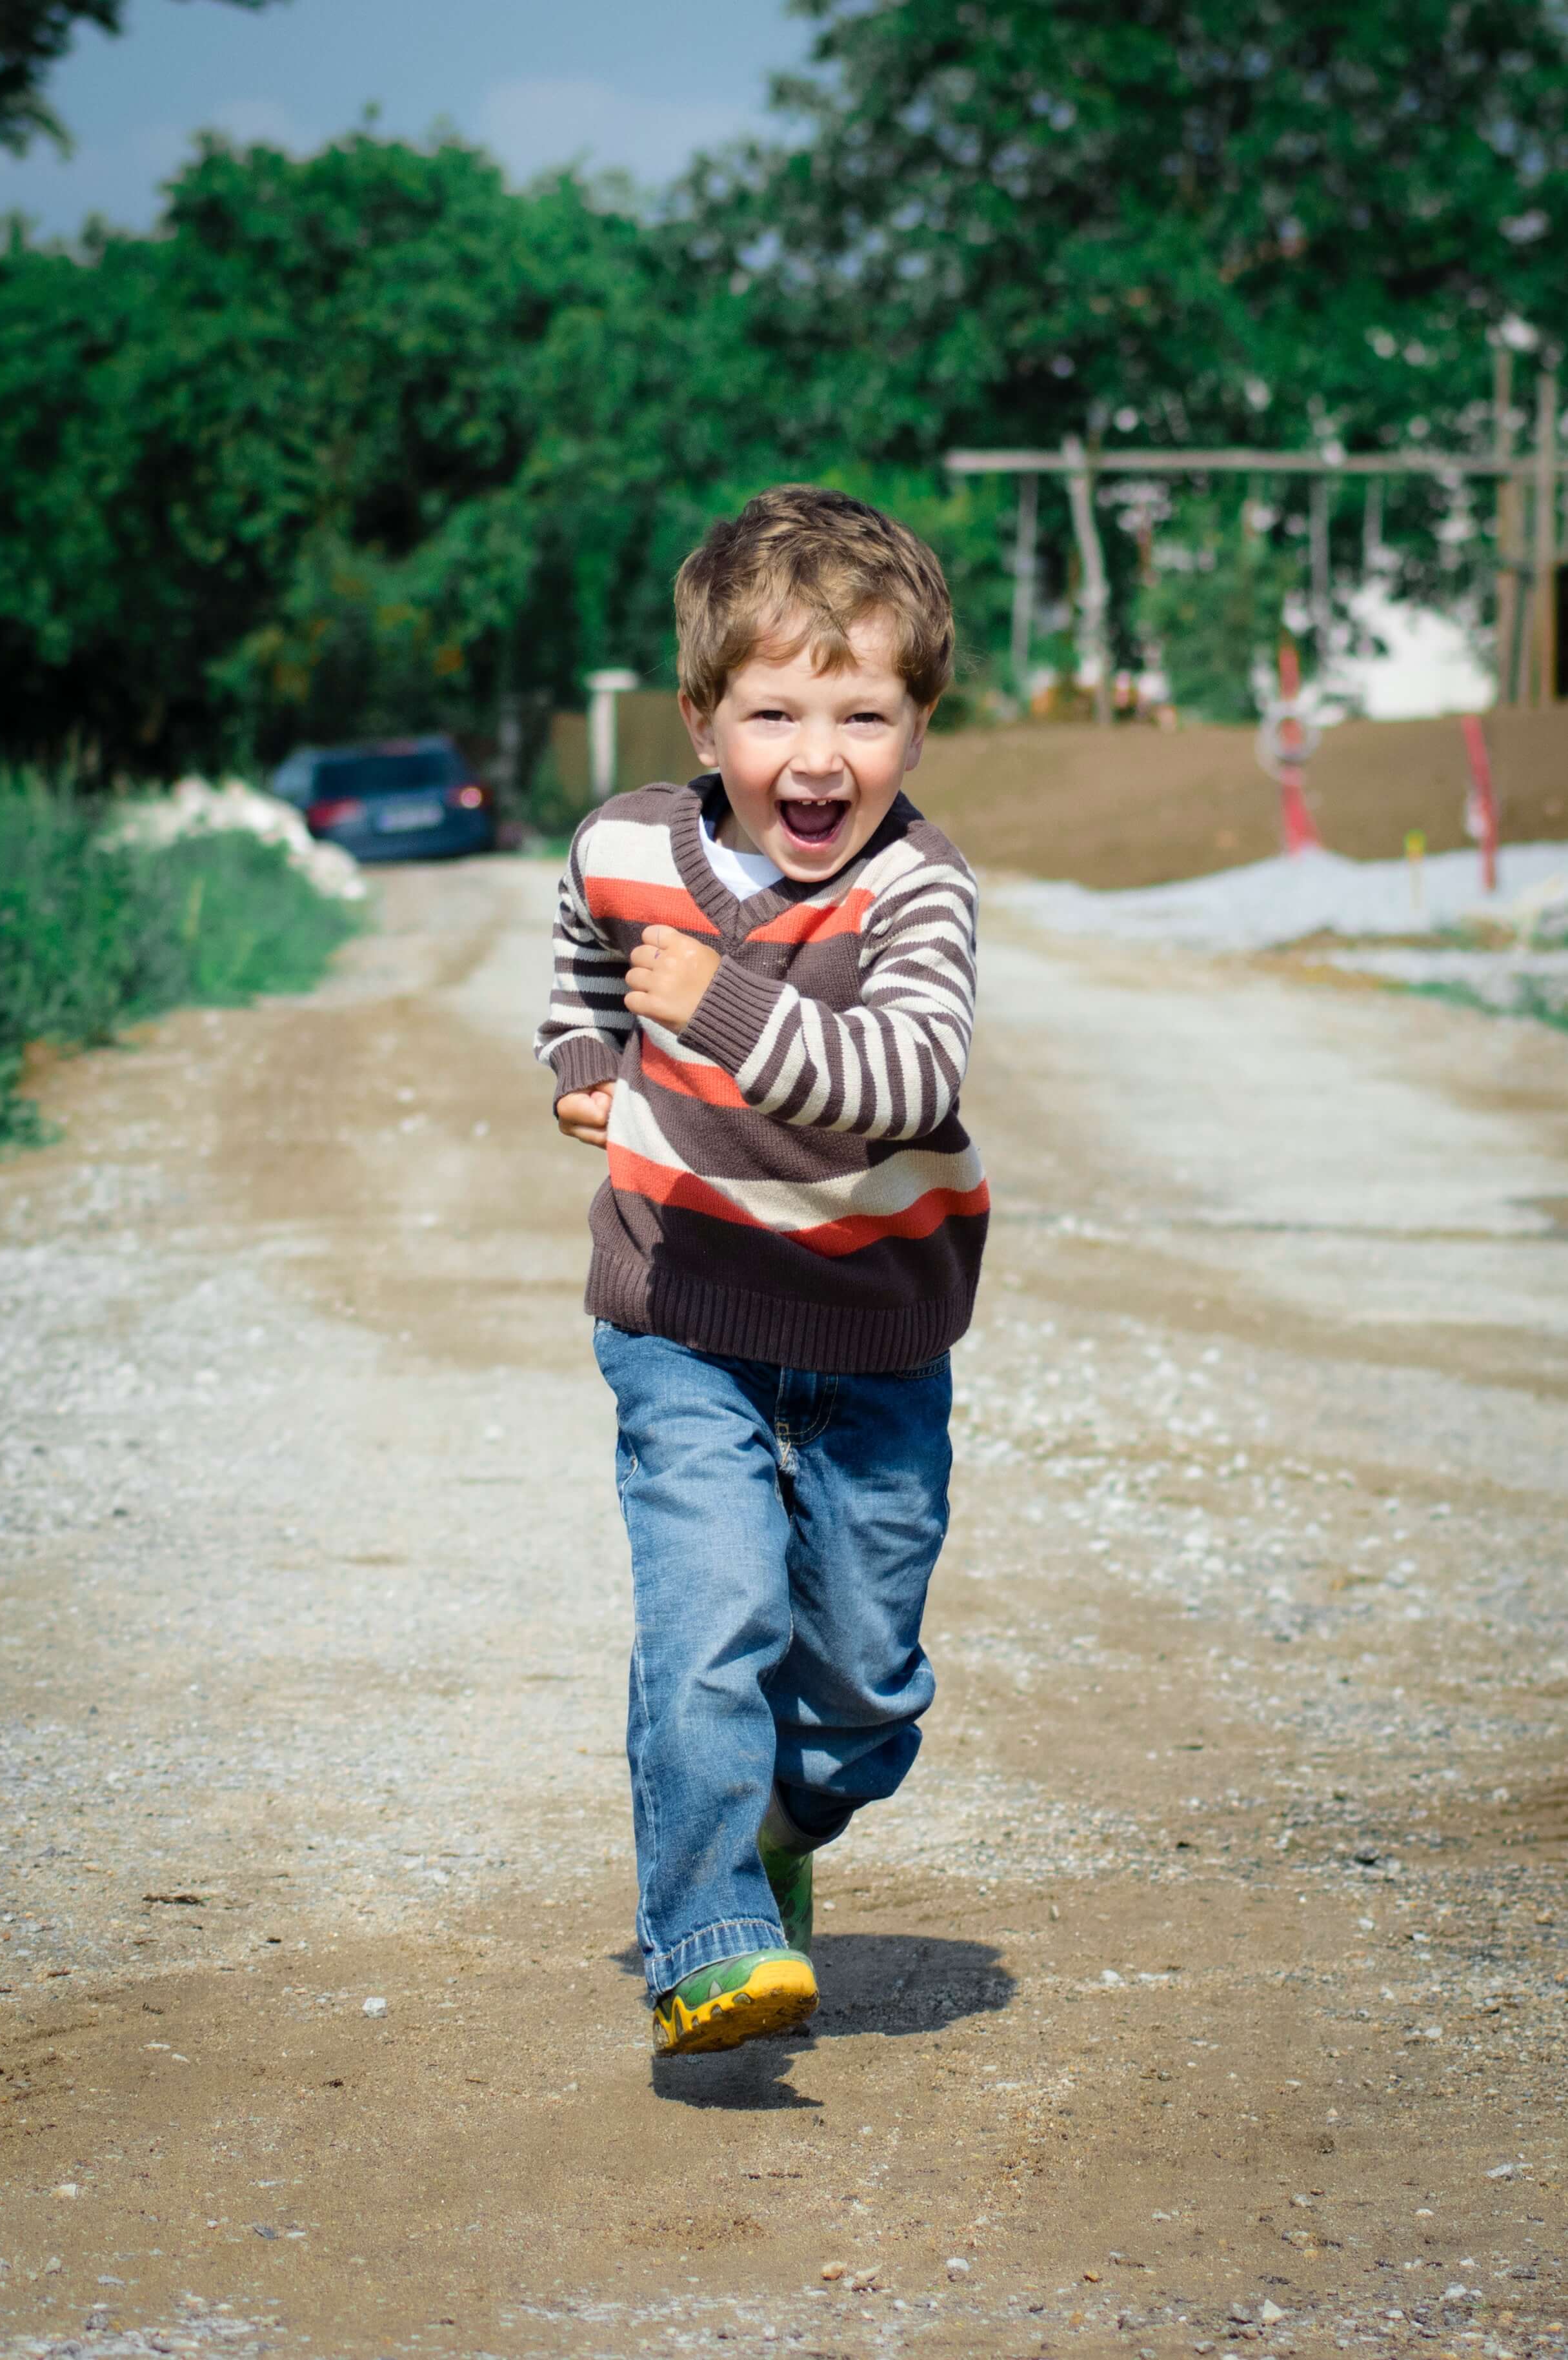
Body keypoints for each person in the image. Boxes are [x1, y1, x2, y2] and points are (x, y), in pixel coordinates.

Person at [534, 485, 988, 2055]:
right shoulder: (625, 844)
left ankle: (783, 1819)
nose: (818, 754)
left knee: (865, 1688)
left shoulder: (916, 891)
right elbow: (583, 958)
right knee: (709, 1613)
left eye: (863, 713)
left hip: (873, 1331)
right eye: (774, 709)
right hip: (684, 1312)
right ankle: (708, 1932)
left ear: (917, 726)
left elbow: (907, 1077)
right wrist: (586, 1057)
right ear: (701, 716)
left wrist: (717, 1008)